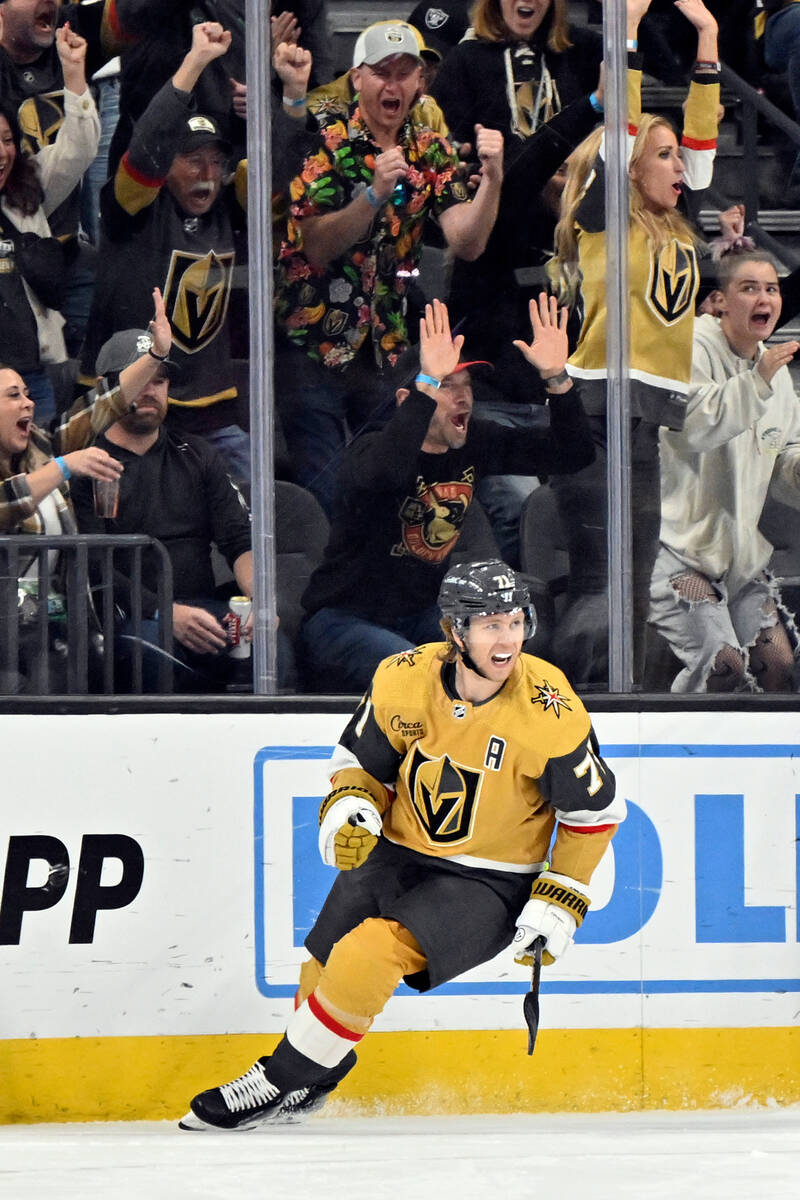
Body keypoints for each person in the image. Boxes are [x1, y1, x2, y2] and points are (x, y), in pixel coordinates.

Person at [180, 558, 624, 1130]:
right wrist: (353, 808)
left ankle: (275, 1081)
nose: (507, 637)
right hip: (399, 850)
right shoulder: (401, 677)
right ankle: (313, 1078)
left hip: (490, 879)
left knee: (371, 951)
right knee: (323, 959)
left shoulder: (548, 707)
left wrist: (562, 895)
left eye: (515, 621)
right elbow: (361, 765)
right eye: (490, 624)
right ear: (455, 631)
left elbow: (593, 811)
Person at [547, 0, 720, 687]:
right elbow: (618, 132)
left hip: (644, 425)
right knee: (601, 585)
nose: (680, 164)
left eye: (677, 153)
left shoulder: (675, 227)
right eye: (664, 153)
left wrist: (707, 38)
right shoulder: (604, 215)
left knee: (635, 588)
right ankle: (564, 708)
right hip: (589, 422)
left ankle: (630, 714)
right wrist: (622, 35)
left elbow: (705, 155)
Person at [299, 294, 594, 694]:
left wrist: (557, 379)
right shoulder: (369, 450)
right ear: (410, 398)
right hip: (342, 621)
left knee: (495, 666)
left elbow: (573, 452)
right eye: (446, 386)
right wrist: (423, 389)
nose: (463, 396)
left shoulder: (476, 441)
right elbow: (386, 472)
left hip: (422, 616)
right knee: (425, 678)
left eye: (467, 385)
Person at [273, 19, 504, 514]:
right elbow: (314, 245)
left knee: (387, 493)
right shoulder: (325, 139)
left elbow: (466, 241)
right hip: (313, 344)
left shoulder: (431, 148)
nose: (393, 85)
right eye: (382, 72)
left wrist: (493, 183)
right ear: (357, 77)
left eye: (405, 73)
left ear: (420, 81)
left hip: (385, 347)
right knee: (328, 498)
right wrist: (373, 195)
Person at [81, 20, 251, 486]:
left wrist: (287, 104)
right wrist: (195, 62)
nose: (208, 173)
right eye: (193, 159)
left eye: (216, 161)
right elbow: (149, 143)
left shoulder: (229, 208)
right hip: (125, 404)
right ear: (165, 163)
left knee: (261, 511)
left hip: (209, 415)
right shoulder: (131, 207)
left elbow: (276, 168)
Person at [71, 323, 267, 693]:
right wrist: (166, 613)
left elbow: (240, 538)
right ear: (105, 387)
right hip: (130, 616)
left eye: (159, 380)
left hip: (204, 607)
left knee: (275, 651)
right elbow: (93, 564)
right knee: (153, 653)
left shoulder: (198, 454)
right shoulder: (85, 462)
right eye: (140, 377)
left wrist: (261, 603)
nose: (151, 390)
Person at [0, 286, 170, 692]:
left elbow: (103, 405)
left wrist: (155, 356)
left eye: (27, 394)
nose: (27, 403)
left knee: (64, 676)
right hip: (3, 637)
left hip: (49, 626)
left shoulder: (39, 446)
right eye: (12, 396)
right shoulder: (53, 462)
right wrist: (63, 467)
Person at [649, 250, 800, 693]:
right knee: (725, 665)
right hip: (675, 552)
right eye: (749, 287)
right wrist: (756, 382)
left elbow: (783, 453)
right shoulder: (689, 348)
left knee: (778, 663)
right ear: (719, 302)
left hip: (739, 561)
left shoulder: (776, 371)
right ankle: (679, 756)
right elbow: (695, 427)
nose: (764, 297)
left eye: (771, 288)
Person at [0, 19, 100, 426]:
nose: (1, 153)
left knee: (42, 481)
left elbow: (77, 151)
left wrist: (74, 74)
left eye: (7, 140)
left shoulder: (25, 193)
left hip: (31, 380)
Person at [430, 0, 602, 163]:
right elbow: (448, 151)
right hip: (496, 190)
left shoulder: (583, 48)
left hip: (574, 189)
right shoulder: (464, 60)